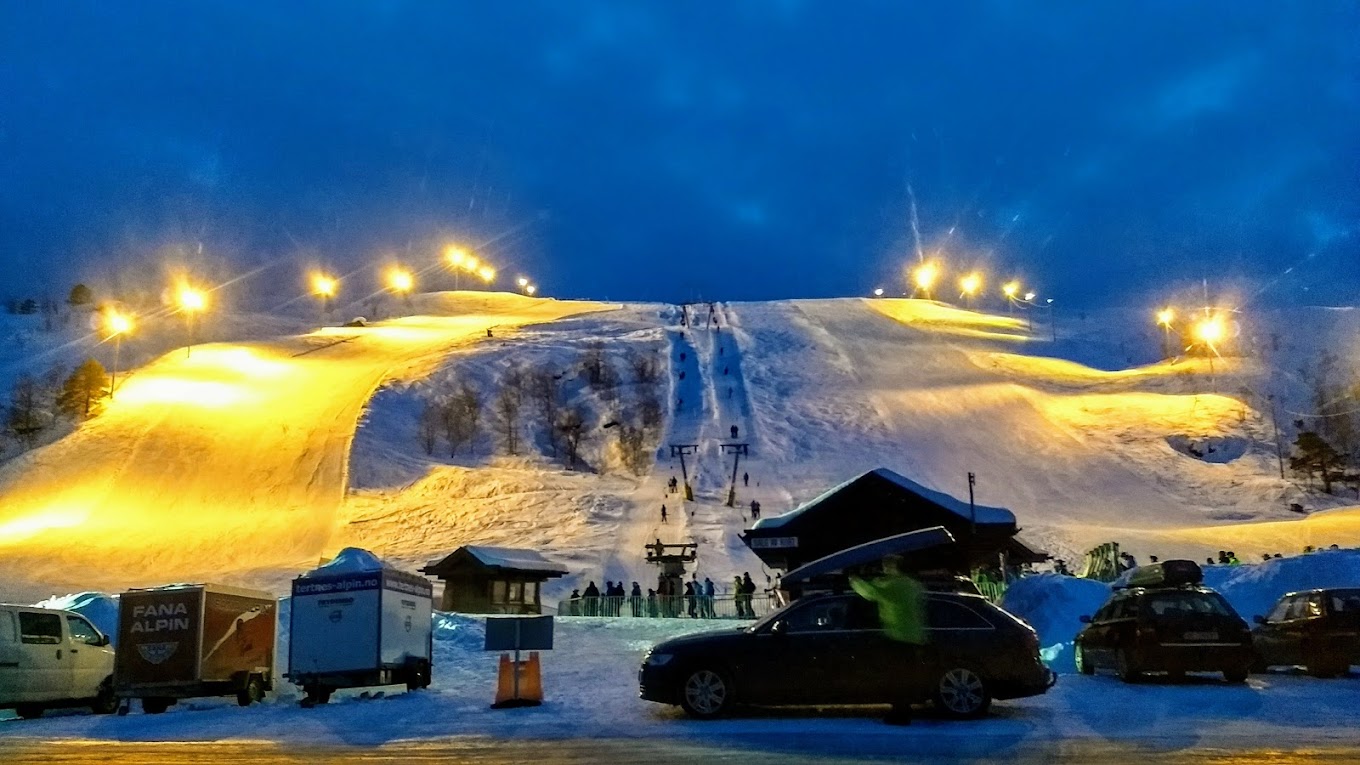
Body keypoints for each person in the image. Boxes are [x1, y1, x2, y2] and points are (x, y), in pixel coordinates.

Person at [849, 556, 927, 725]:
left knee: (896, 678)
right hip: (914, 637)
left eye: (886, 566)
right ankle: (903, 712)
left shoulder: (892, 585)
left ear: (893, 567)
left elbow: (870, 593)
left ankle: (900, 715)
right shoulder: (912, 584)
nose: (884, 568)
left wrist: (854, 579)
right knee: (906, 678)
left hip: (897, 637)